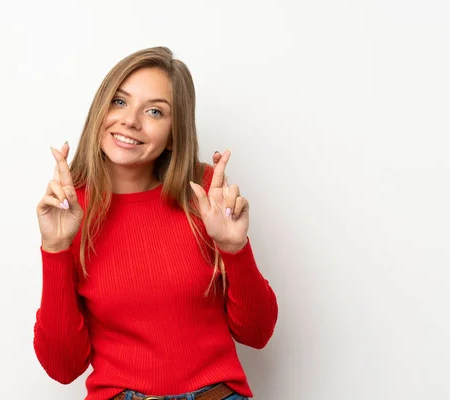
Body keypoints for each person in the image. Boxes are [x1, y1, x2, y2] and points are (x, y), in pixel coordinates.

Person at [33, 46, 278, 400]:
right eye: (119, 102)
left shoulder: (204, 192)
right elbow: (63, 367)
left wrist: (234, 249)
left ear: (173, 135)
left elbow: (258, 333)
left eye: (154, 111)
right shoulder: (70, 207)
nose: (130, 120)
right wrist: (54, 250)